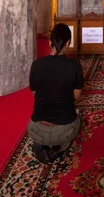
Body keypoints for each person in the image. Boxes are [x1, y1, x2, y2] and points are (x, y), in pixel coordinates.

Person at [28, 23, 84, 163]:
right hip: (64, 130)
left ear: (49, 42)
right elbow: (76, 96)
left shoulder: (36, 65)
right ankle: (60, 147)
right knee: (79, 118)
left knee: (41, 127)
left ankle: (41, 144)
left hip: (36, 129)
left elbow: (35, 94)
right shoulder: (74, 65)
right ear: (68, 43)